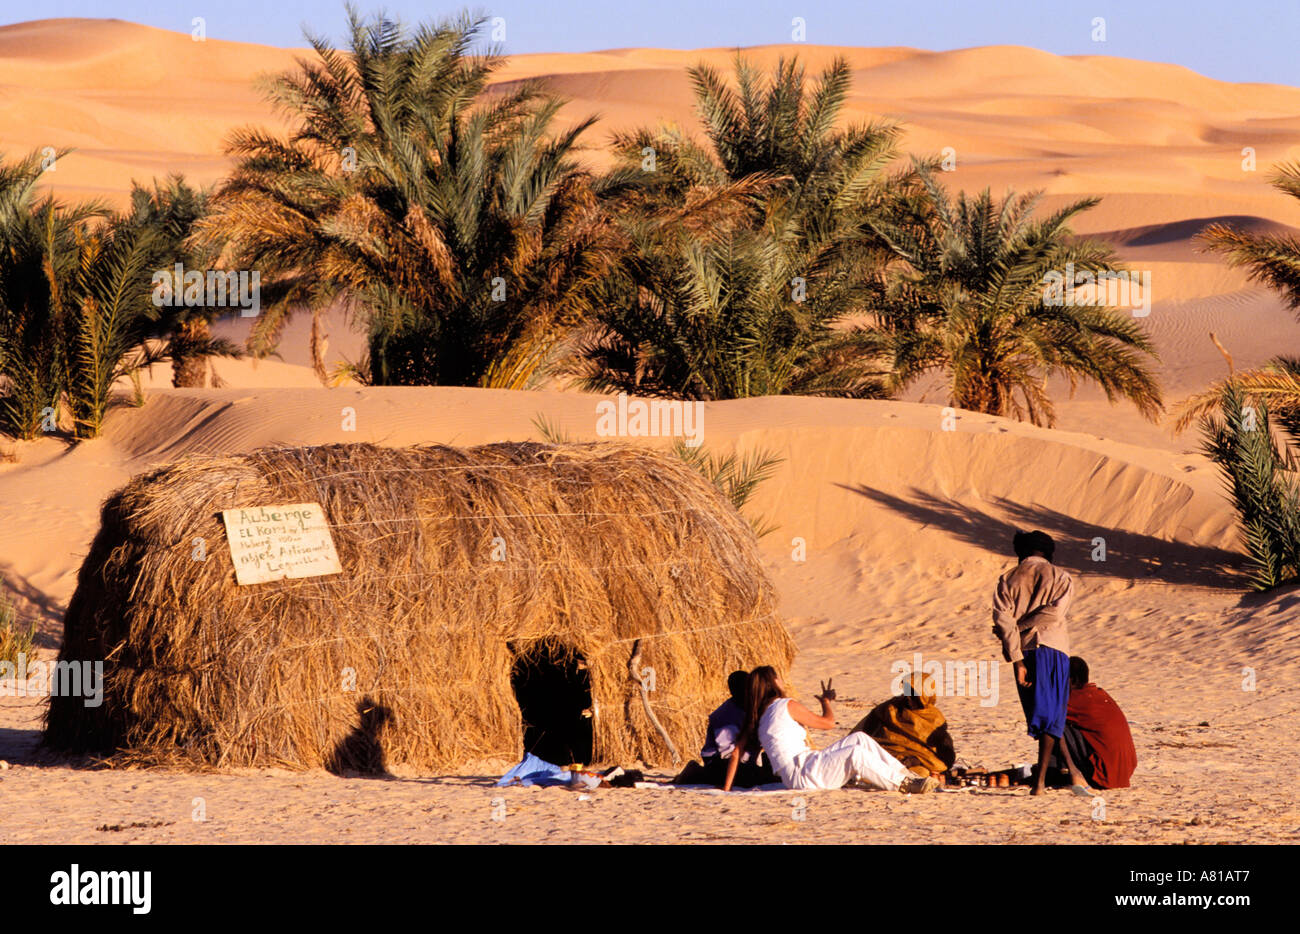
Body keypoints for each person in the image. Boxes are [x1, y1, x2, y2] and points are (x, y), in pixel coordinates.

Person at [723, 666, 937, 794]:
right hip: (804, 774)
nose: (780, 680)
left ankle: (905, 774)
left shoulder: (759, 717)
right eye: (777, 677)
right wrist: (826, 702)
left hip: (800, 771)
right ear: (772, 683)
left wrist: (727, 790)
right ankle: (905, 784)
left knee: (859, 738)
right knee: (856, 753)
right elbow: (827, 723)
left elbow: (736, 753)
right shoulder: (785, 705)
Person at [991, 530, 1089, 796]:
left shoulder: (1008, 578)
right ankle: (1041, 782)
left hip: (1023, 652)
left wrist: (1016, 657)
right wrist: (1022, 630)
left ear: (1021, 550)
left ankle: (1071, 773)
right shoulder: (1061, 577)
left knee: (1048, 714)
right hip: (1053, 649)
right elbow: (1055, 613)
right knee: (1050, 714)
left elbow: (1003, 621)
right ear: (1048, 551)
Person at [673, 669, 776, 788]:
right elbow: (729, 753)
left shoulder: (748, 708)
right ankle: (695, 773)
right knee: (757, 779)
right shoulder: (725, 716)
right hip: (720, 763)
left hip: (740, 761)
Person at [852, 671, 955, 779]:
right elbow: (859, 734)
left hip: (917, 761)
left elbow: (945, 756)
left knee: (922, 773)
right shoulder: (889, 709)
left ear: (925, 695)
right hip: (886, 754)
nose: (908, 698)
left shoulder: (935, 718)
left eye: (913, 694)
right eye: (906, 692)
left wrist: (916, 761)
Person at [1060, 656, 1137, 789]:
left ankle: (1056, 772)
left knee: (1054, 724)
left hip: (1104, 774)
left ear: (1071, 680)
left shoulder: (1078, 699)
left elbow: (1046, 712)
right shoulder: (1099, 694)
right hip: (1123, 772)